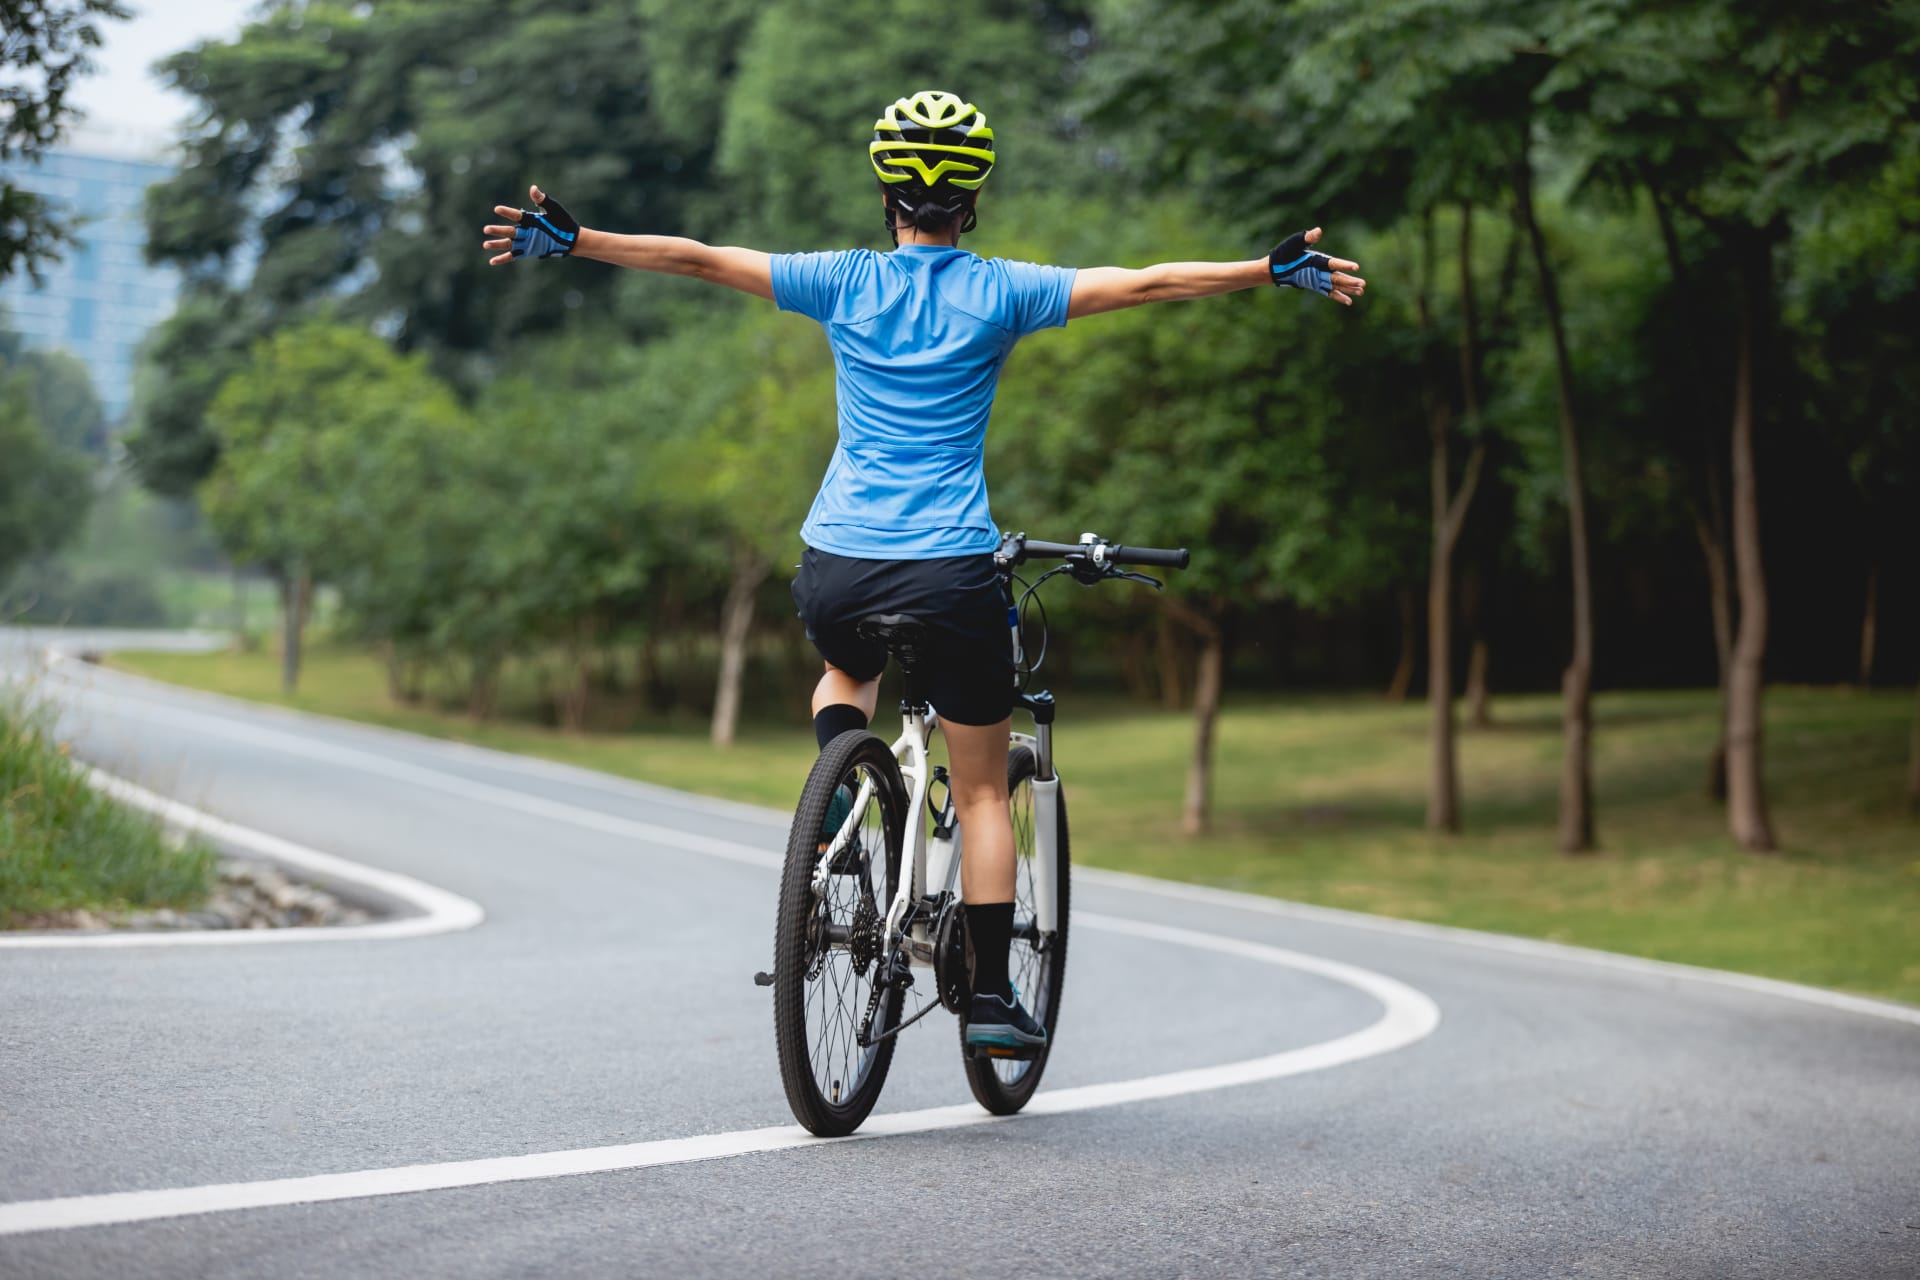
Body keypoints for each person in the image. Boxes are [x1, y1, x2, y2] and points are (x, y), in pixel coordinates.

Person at [482, 89, 1364, 1054]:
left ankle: (837, 806)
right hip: (948, 570)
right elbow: (1147, 283)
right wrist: (1265, 271)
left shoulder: (840, 280)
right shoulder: (1007, 292)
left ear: (887, 195)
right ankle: (987, 1001)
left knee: (845, 672)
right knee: (983, 791)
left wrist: (575, 241)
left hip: (840, 567)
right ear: (971, 202)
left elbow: (696, 258)